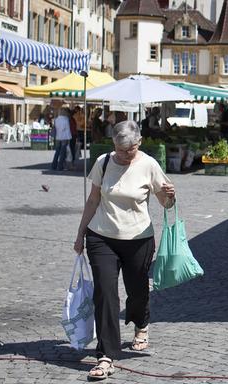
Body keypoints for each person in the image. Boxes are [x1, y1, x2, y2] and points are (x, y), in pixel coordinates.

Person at [73, 121, 175, 381]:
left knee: (137, 290)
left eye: (128, 151)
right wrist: (81, 233)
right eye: (119, 150)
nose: (123, 155)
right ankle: (106, 355)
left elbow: (166, 202)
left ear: (138, 144)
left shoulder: (149, 164)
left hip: (138, 238)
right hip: (101, 237)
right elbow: (93, 199)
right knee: (105, 293)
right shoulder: (103, 162)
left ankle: (141, 323)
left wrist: (170, 195)